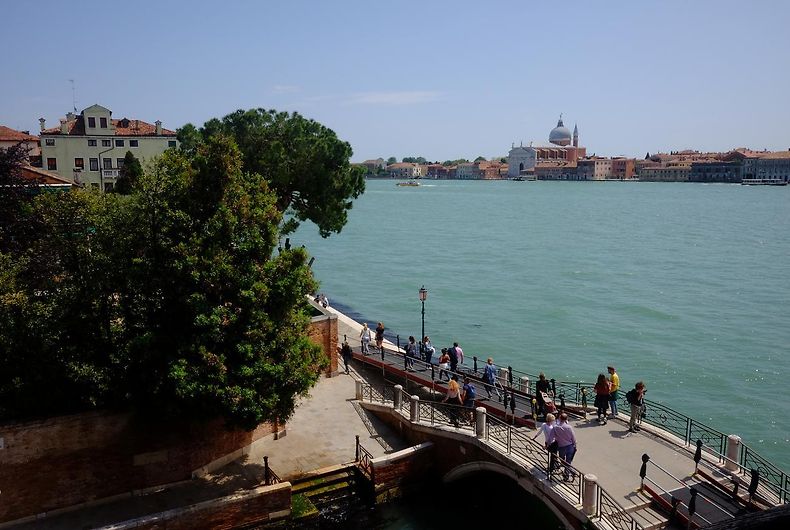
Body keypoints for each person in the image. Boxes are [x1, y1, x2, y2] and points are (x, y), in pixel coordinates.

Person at [548, 413, 577, 480]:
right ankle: (569, 473)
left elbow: (550, 438)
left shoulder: (555, 427)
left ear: (560, 418)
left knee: (562, 461)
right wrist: (575, 446)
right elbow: (573, 438)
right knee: (568, 461)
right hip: (570, 446)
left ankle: (569, 473)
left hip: (562, 447)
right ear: (566, 419)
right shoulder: (569, 427)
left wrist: (548, 445)